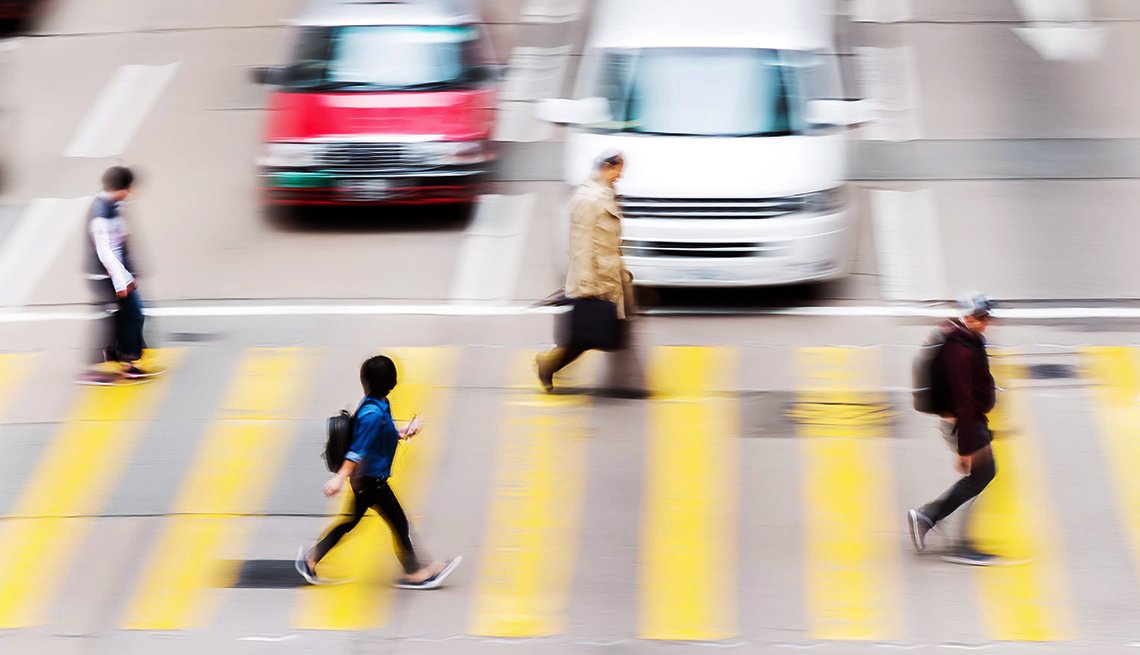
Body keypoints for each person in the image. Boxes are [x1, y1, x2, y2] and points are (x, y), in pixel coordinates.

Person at [296, 355, 461, 588]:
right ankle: (414, 574)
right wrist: (339, 478)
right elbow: (358, 450)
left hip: (369, 479)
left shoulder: (375, 403)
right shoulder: (372, 413)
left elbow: (378, 435)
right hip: (371, 481)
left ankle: (312, 558)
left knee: (353, 522)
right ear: (393, 382)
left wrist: (402, 432)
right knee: (398, 523)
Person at [537, 148, 639, 393]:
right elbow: (580, 245)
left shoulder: (605, 194)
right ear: (607, 167)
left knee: (618, 331)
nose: (620, 176)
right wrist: (585, 285)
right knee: (587, 336)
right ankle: (549, 365)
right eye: (618, 170)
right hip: (597, 279)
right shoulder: (588, 199)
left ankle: (625, 381)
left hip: (612, 275)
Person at [907, 293, 999, 565]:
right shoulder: (958, 350)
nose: (985, 323)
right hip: (963, 423)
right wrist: (965, 448)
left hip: (970, 422)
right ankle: (943, 529)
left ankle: (930, 518)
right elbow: (963, 400)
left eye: (986, 317)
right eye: (980, 318)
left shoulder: (966, 338)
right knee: (981, 476)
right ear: (968, 316)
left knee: (983, 475)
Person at [79, 166, 159, 385]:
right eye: (130, 188)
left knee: (127, 316)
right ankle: (110, 365)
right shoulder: (101, 213)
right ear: (123, 188)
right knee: (130, 314)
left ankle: (126, 363)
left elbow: (123, 243)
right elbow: (106, 252)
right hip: (105, 277)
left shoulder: (113, 207)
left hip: (118, 275)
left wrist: (131, 271)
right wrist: (121, 280)